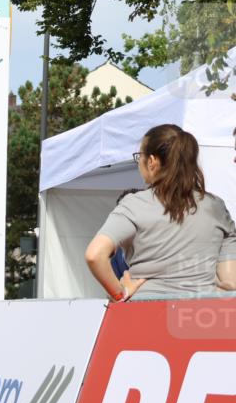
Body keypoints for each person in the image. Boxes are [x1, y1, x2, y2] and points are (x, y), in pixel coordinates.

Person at [85, 124, 236, 299]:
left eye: (139, 156)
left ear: (152, 162)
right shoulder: (215, 207)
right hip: (200, 314)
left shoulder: (134, 205)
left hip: (145, 311)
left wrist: (120, 293)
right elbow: (230, 283)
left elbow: (95, 255)